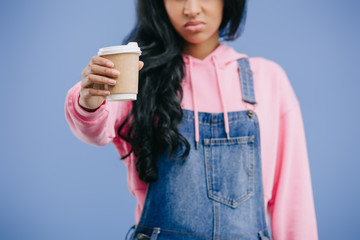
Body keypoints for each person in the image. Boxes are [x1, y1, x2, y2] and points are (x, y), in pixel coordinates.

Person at [65, 0, 318, 239]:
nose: (191, 9)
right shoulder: (140, 75)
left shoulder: (268, 79)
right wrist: (89, 99)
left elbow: (293, 198)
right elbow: (95, 129)